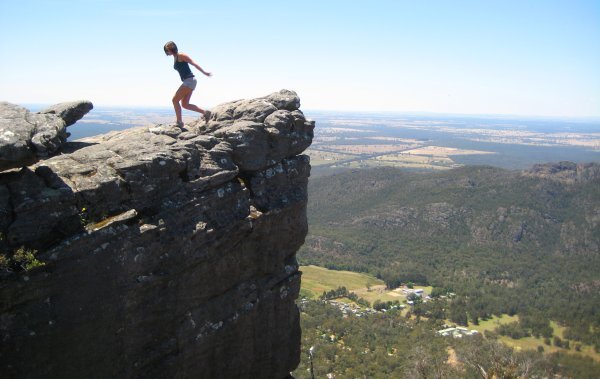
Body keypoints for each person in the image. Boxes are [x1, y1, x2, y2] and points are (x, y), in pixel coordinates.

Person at [163, 41, 212, 127]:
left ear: (171, 49)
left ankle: (179, 122)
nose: (167, 53)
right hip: (189, 81)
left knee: (175, 100)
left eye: (167, 50)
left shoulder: (181, 55)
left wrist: (205, 73)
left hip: (189, 80)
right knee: (185, 104)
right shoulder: (175, 57)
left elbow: (193, 63)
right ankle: (205, 113)